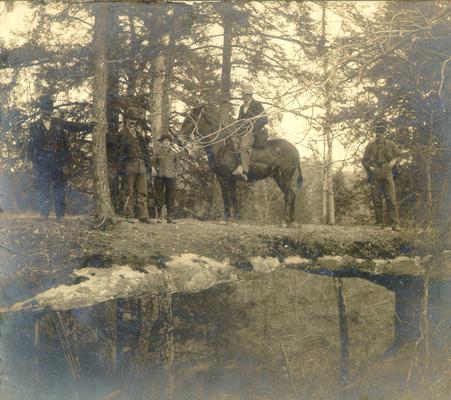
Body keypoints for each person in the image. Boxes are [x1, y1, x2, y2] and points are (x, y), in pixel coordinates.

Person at [28, 95, 94, 221]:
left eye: (49, 111)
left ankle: (60, 215)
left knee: (59, 187)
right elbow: (31, 146)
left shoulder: (58, 122)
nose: (47, 114)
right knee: (43, 187)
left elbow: (72, 126)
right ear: (41, 111)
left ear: (51, 111)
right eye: (45, 111)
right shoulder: (34, 126)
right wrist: (34, 162)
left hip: (57, 161)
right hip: (42, 162)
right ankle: (44, 214)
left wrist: (88, 126)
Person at [362, 119, 401, 231]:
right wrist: (370, 168)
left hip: (388, 171)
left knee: (391, 198)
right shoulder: (370, 146)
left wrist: (394, 162)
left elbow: (399, 155)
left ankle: (395, 224)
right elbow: (364, 160)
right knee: (376, 199)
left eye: (381, 132)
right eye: (377, 132)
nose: (379, 135)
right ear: (375, 133)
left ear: (384, 133)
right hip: (375, 172)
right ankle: (379, 224)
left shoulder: (391, 144)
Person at [118, 107, 151, 223]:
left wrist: (149, 166)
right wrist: (121, 168)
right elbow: (120, 153)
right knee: (129, 190)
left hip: (141, 164)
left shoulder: (139, 135)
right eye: (131, 119)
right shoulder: (122, 134)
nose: (133, 122)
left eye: (135, 120)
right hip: (129, 164)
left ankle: (143, 216)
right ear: (126, 119)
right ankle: (129, 215)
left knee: (142, 191)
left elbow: (145, 151)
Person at [233, 85, 268, 181]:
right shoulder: (241, 107)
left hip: (255, 133)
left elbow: (265, 119)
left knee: (244, 146)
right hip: (243, 132)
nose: (242, 97)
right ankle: (239, 165)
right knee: (232, 142)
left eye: (244, 95)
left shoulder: (257, 105)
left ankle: (245, 171)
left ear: (249, 95)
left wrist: (253, 128)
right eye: (242, 95)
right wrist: (235, 128)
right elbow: (239, 121)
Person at [152, 134, 179, 224]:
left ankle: (170, 217)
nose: (166, 143)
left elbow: (178, 164)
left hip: (171, 177)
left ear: (170, 143)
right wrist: (154, 169)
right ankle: (160, 216)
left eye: (168, 141)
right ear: (162, 142)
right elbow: (153, 163)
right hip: (160, 176)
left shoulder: (174, 152)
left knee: (170, 196)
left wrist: (175, 172)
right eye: (165, 141)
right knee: (159, 195)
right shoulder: (158, 152)